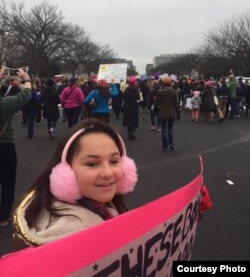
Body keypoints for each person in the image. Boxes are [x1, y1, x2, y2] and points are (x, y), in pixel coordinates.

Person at [13, 118, 138, 248]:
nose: (107, 173)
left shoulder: (92, 205)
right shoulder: (76, 233)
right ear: (66, 173)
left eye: (114, 161)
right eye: (92, 164)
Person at [0, 67, 32, 227]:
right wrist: (26, 79)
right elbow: (26, 95)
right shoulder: (5, 104)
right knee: (7, 182)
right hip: (4, 144)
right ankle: (4, 216)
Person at [155, 77, 180, 152]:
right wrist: (178, 114)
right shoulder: (173, 92)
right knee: (170, 128)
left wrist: (154, 111)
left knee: (164, 129)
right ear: (170, 83)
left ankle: (165, 145)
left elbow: (156, 103)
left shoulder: (160, 92)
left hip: (163, 112)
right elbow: (176, 104)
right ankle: (171, 143)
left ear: (163, 83)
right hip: (171, 113)